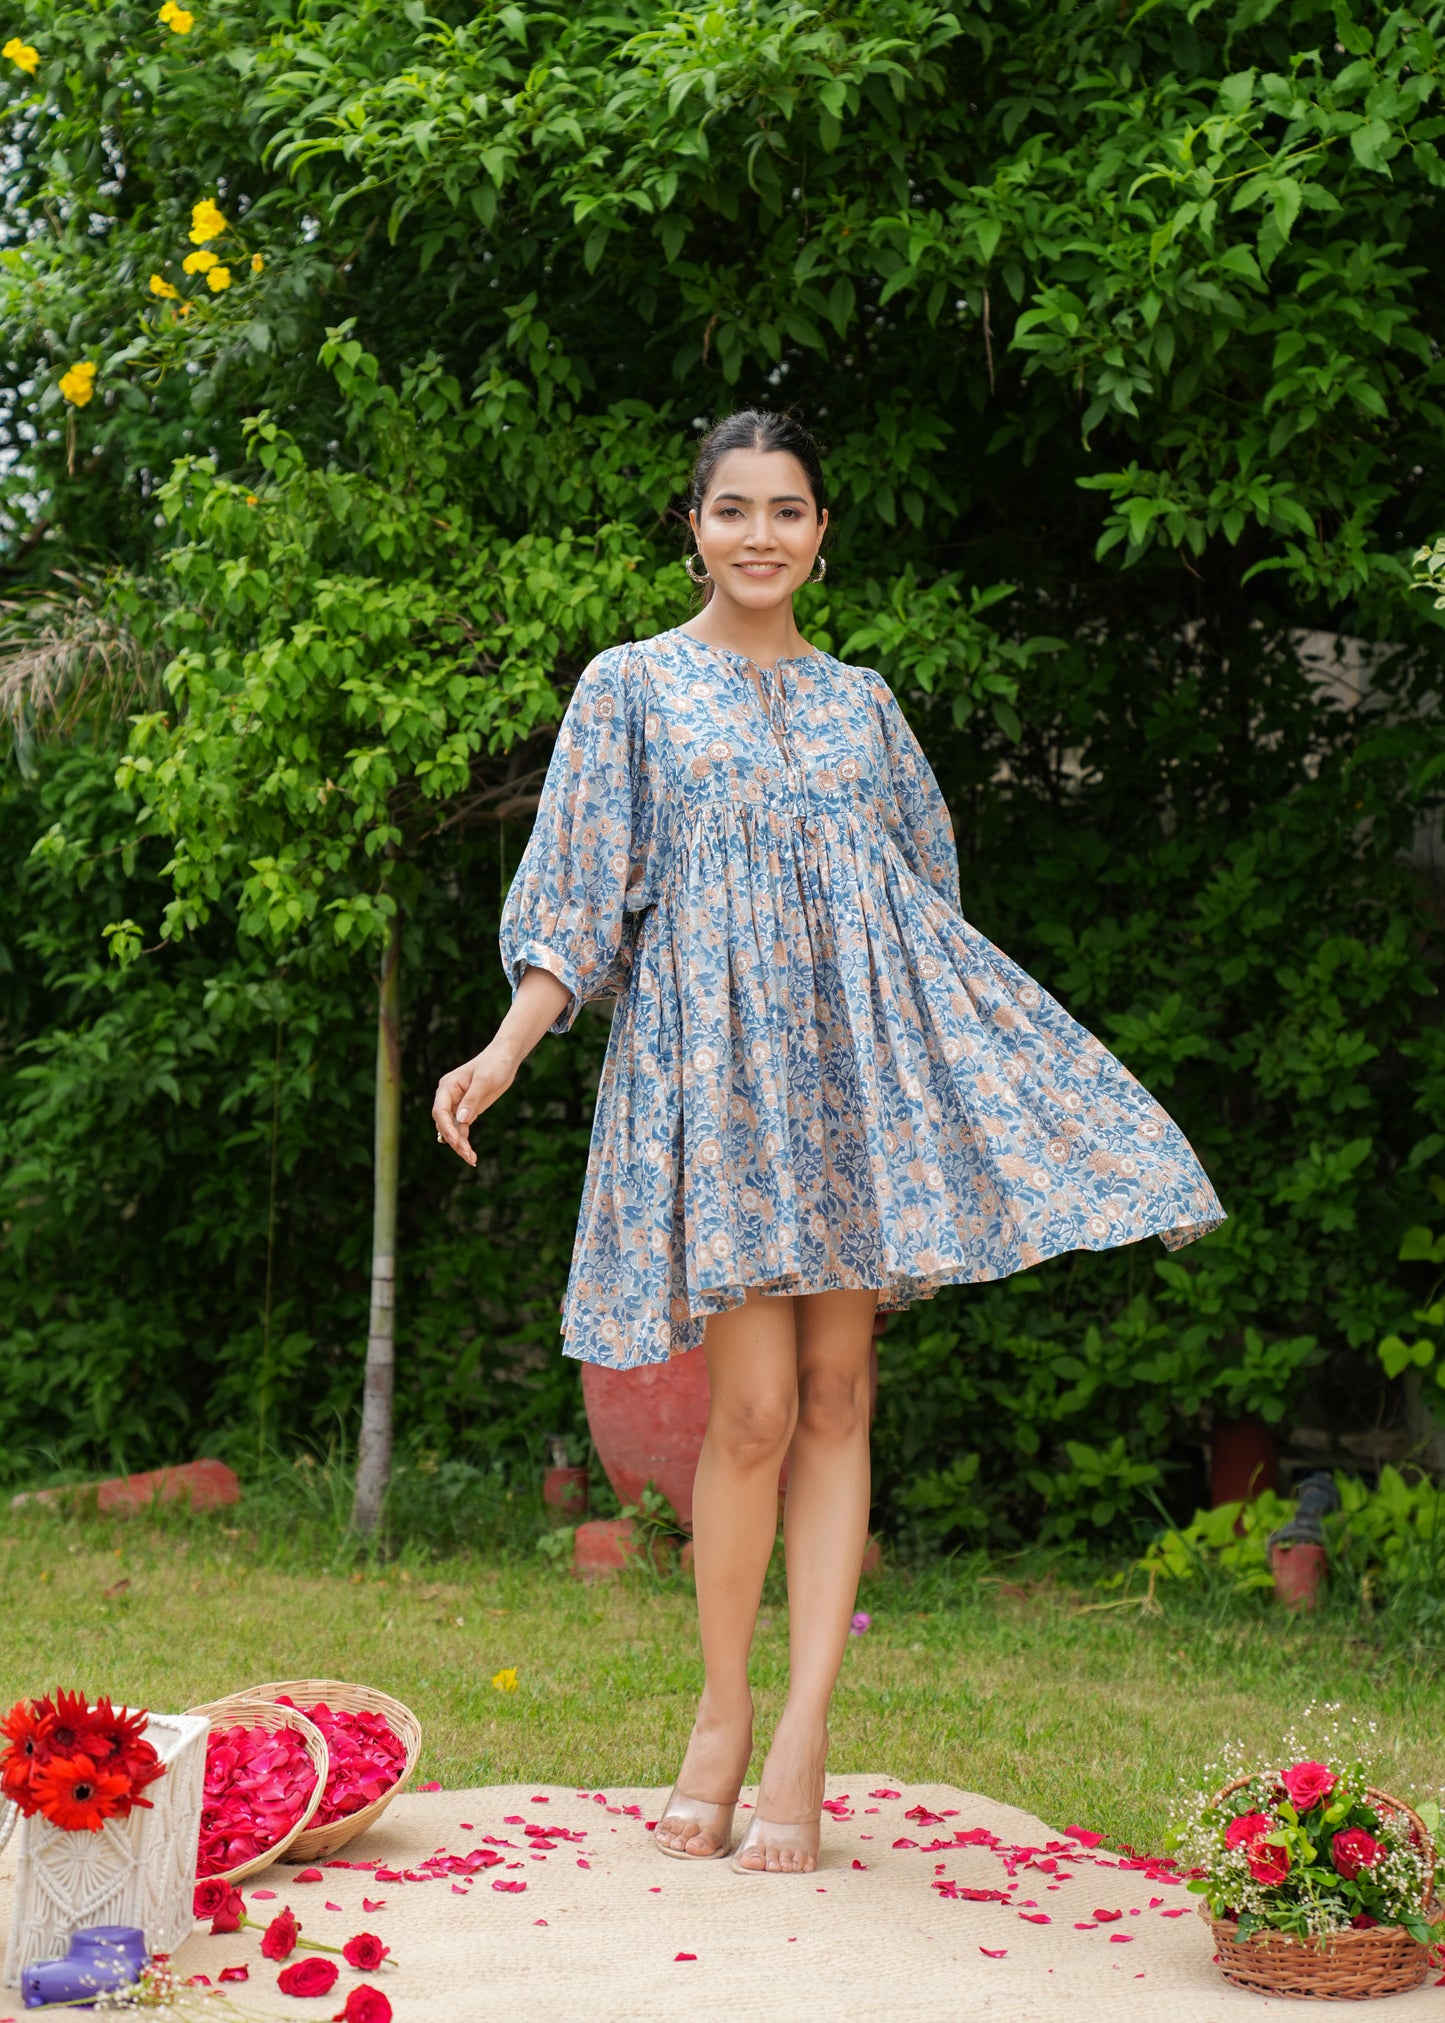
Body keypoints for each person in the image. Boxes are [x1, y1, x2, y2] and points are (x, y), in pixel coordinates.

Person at [432, 410, 1225, 1875]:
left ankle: (804, 1733)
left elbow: (924, 907)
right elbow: (578, 896)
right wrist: (503, 1049)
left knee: (840, 1393)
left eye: (786, 510)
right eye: (732, 508)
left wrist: (944, 1083)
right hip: (719, 1084)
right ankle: (721, 1712)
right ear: (693, 528)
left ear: (820, 534)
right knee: (749, 1412)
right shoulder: (631, 688)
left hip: (849, 1090)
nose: (759, 534)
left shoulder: (864, 707)